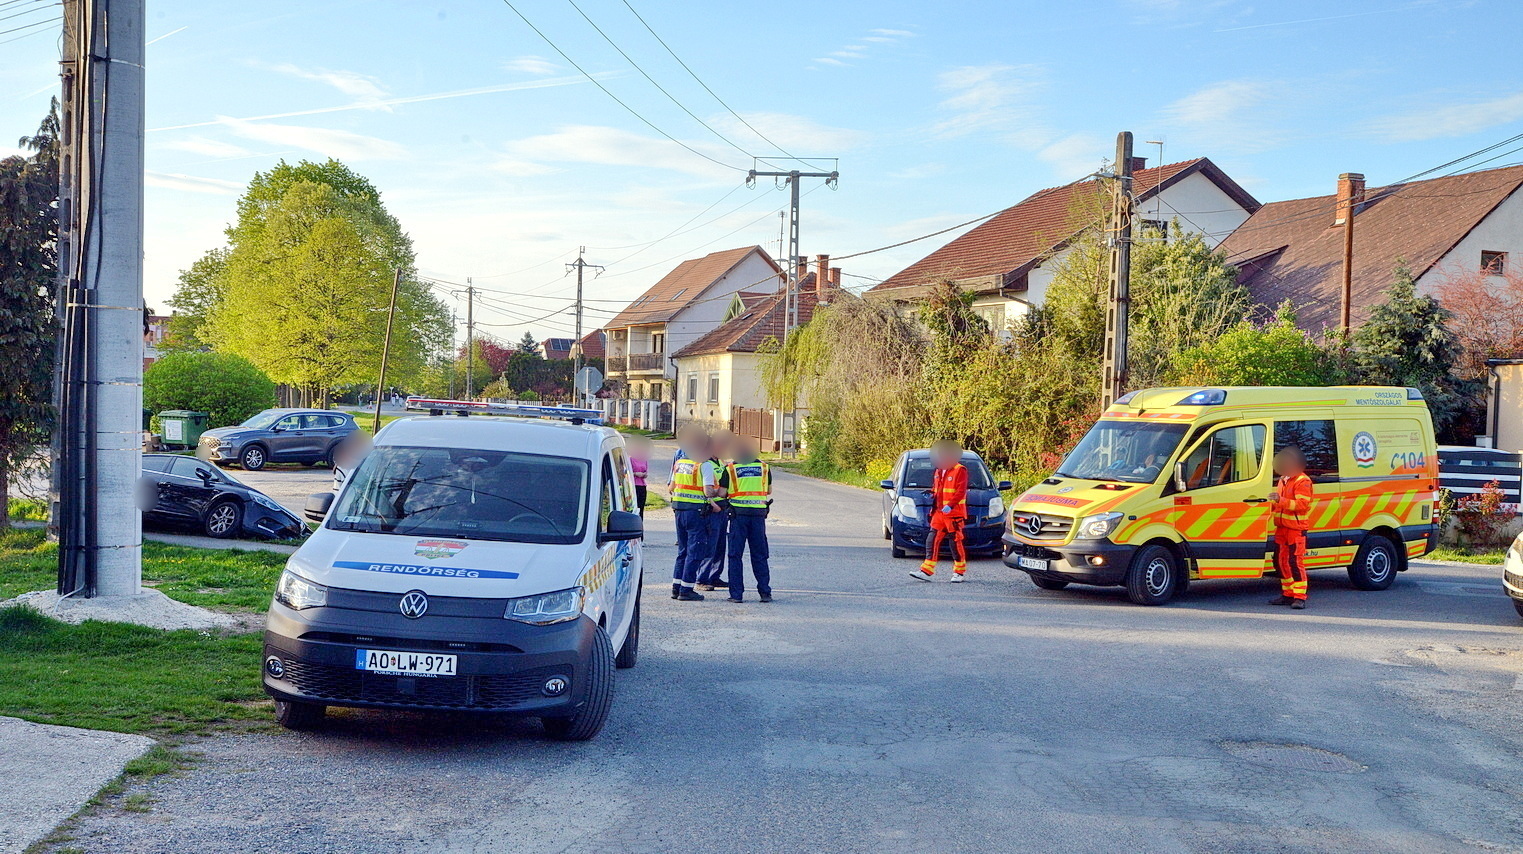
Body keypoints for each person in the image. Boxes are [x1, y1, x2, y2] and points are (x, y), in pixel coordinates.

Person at [668, 425, 716, 601]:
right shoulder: (705, 465)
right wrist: (717, 492)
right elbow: (708, 491)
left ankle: (676, 587)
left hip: (679, 510)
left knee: (682, 550)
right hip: (696, 512)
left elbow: (671, 487)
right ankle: (686, 589)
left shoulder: (680, 463)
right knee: (695, 551)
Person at [910, 440, 969, 583]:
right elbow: (939, 489)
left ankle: (959, 572)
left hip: (953, 514)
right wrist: (931, 493)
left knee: (955, 542)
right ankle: (926, 571)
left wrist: (950, 505)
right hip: (939, 512)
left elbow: (960, 491)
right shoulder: (938, 470)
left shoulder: (960, 470)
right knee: (932, 540)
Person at [722, 438, 773, 603]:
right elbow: (769, 490)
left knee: (735, 555)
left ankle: (736, 595)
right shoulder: (764, 467)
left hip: (738, 516)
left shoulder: (730, 469)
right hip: (758, 516)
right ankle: (765, 593)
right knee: (759, 555)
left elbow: (722, 493)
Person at [1269, 446, 1314, 610]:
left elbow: (1302, 505)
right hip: (1282, 528)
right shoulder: (1283, 479)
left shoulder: (1302, 480)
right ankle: (1288, 594)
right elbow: (1280, 504)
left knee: (1295, 562)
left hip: (1296, 528)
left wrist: (1279, 500)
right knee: (1280, 562)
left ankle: (1300, 597)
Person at [696, 431, 732, 591]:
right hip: (712, 508)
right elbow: (703, 489)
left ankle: (714, 576)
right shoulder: (706, 464)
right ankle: (702, 579)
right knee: (710, 545)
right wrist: (712, 503)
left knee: (720, 545)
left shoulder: (720, 463)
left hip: (723, 507)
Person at [627, 436, 651, 518]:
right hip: (634, 485)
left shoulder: (644, 459)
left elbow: (646, 471)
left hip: (642, 485)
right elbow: (627, 472)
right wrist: (636, 474)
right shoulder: (630, 459)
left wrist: (644, 474)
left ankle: (640, 522)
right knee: (635, 507)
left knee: (641, 508)